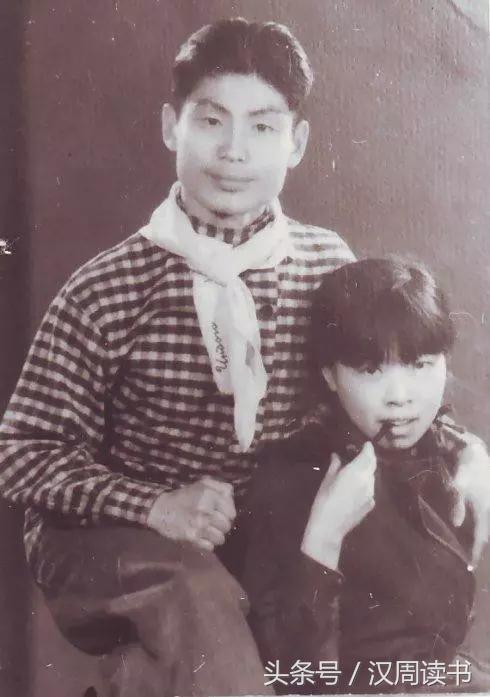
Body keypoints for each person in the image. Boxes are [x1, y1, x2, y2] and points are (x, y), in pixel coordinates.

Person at [0, 17, 487, 697]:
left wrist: (467, 448)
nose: (234, 151)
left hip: (262, 536)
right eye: (211, 122)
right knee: (201, 599)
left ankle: (140, 680)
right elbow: (21, 452)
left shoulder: (323, 261)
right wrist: (155, 505)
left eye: (262, 127)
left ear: (297, 144)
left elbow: (384, 371)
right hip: (120, 542)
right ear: (171, 127)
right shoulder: (108, 289)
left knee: (349, 641)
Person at [243, 257, 488, 694]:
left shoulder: (449, 454)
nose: (400, 397)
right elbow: (294, 679)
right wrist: (322, 541)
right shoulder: (288, 478)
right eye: (370, 370)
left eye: (420, 364)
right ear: (329, 375)